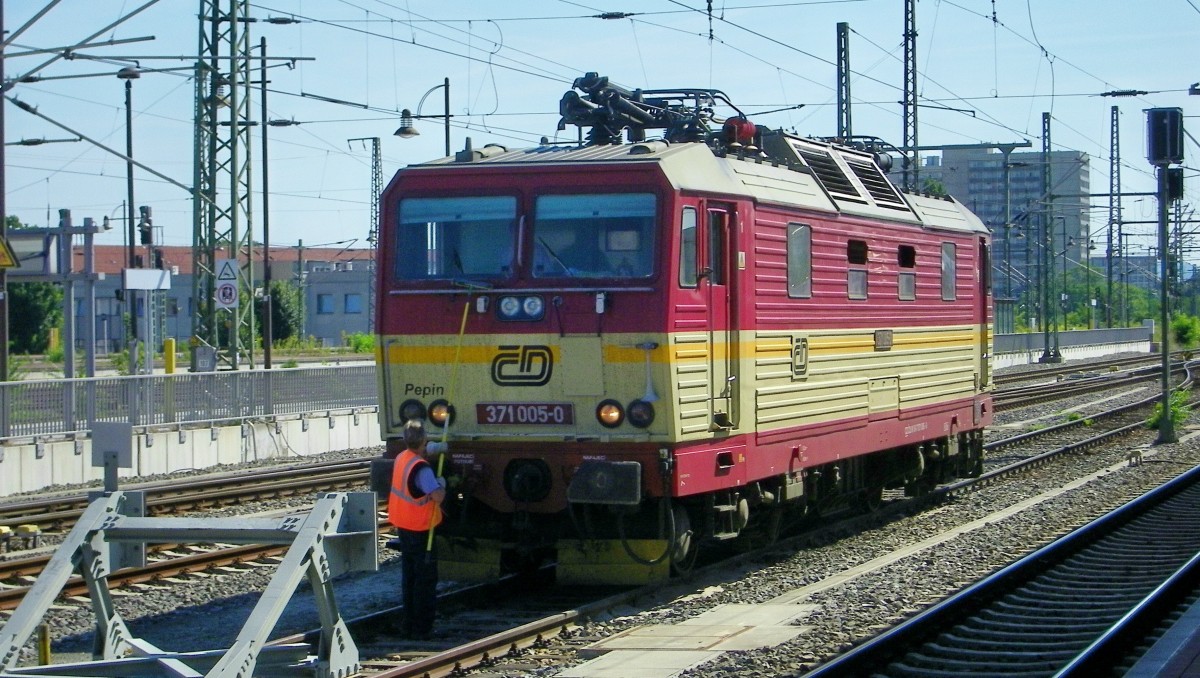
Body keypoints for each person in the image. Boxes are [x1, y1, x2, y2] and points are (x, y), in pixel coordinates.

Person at [387, 419, 446, 639]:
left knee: (409, 579)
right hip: (422, 530)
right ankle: (422, 628)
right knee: (425, 581)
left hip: (404, 527)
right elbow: (437, 496)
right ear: (424, 440)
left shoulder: (402, 458)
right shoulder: (421, 468)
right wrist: (442, 485)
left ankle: (409, 624)